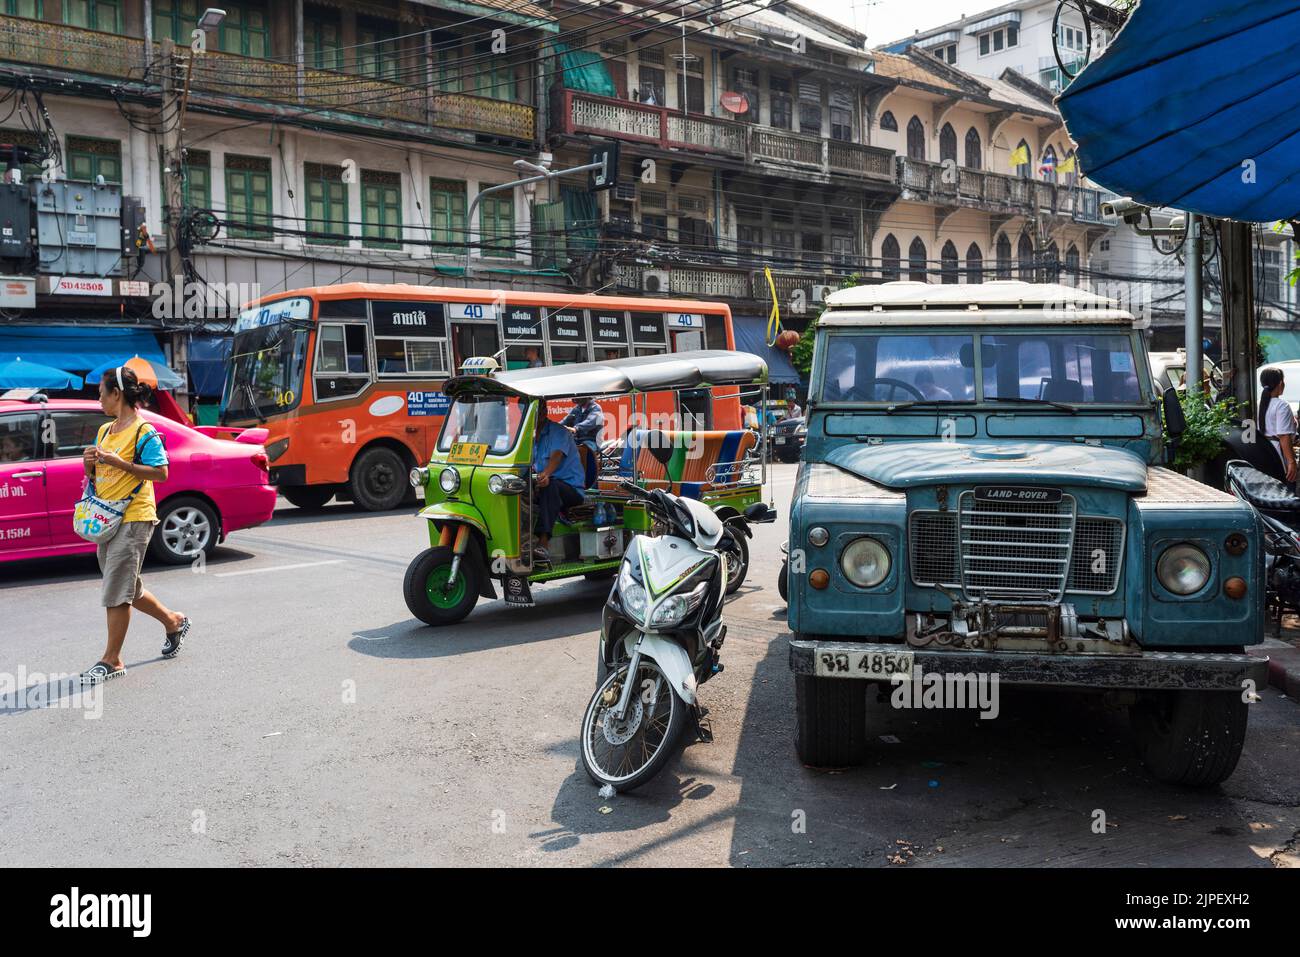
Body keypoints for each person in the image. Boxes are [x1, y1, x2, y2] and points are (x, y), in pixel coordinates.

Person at [79, 367, 190, 684]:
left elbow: (161, 472)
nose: (99, 399)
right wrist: (91, 467)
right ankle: (173, 621)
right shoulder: (104, 431)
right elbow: (100, 477)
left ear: (117, 394)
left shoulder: (145, 432)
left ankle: (111, 660)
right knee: (127, 584)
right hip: (106, 517)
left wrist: (119, 463)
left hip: (135, 516)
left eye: (102, 393)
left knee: (117, 587)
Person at [531, 413, 586, 562]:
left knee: (550, 486)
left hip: (572, 489)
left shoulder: (558, 431)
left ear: (543, 409)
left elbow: (557, 455)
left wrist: (546, 474)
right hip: (546, 484)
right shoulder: (530, 434)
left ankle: (543, 542)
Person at [1260, 366, 1297, 485]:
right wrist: (1291, 462)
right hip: (1279, 455)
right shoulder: (1282, 405)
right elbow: (1283, 436)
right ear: (1281, 383)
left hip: (1264, 451)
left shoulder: (1260, 404)